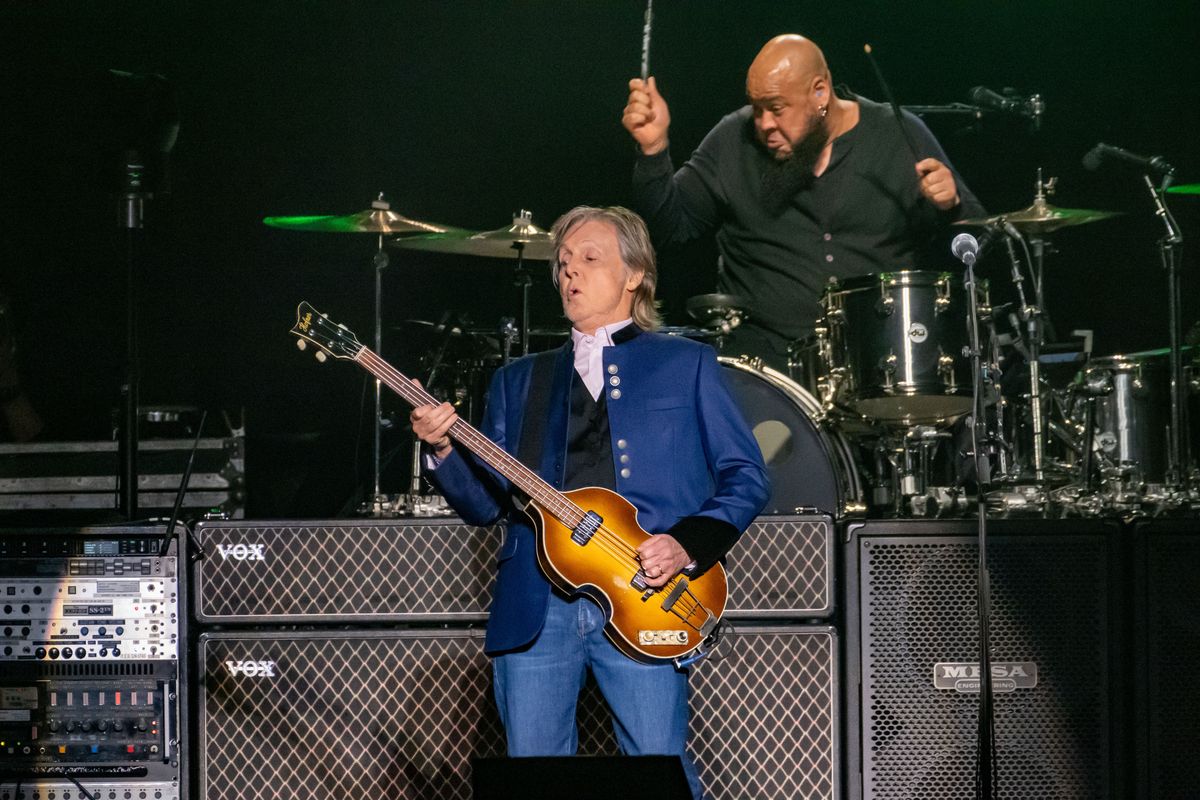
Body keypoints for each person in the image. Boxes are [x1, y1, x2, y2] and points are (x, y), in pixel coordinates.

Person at [410, 205, 769, 799]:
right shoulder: (519, 380)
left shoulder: (688, 365)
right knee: (535, 783)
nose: (569, 272)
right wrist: (444, 451)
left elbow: (746, 477)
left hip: (647, 595)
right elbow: (485, 506)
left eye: (589, 258)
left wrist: (686, 544)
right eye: (563, 262)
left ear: (634, 274)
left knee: (659, 775)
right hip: (536, 606)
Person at [622, 33, 986, 372]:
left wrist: (950, 207)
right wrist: (653, 151)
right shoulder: (734, 138)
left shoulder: (897, 134)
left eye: (777, 108)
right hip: (765, 373)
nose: (763, 123)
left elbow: (976, 250)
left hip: (878, 366)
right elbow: (669, 227)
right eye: (756, 107)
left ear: (820, 93)